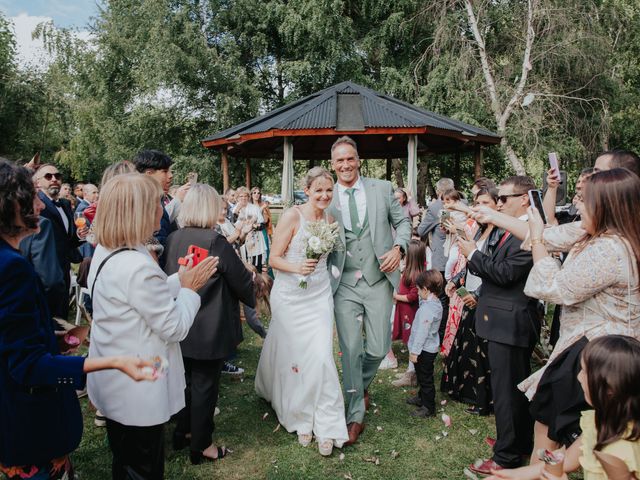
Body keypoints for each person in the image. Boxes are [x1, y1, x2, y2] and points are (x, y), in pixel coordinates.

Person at [0, 159, 155, 479]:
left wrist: (49, 338)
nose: (40, 203)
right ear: (11, 204)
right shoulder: (11, 268)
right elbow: (28, 366)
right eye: (32, 195)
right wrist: (108, 364)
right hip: (28, 426)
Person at [87, 173, 218, 479]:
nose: (163, 210)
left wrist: (177, 281)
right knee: (143, 467)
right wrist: (190, 289)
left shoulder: (108, 252)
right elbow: (173, 327)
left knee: (125, 460)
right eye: (157, 203)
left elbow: (140, 299)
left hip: (115, 379)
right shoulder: (136, 265)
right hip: (137, 388)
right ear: (140, 211)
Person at [518, 168, 640, 461]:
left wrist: (536, 239)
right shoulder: (603, 233)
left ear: (606, 206)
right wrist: (536, 232)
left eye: (584, 201)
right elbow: (553, 236)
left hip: (594, 354)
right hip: (602, 350)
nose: (577, 206)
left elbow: (554, 287)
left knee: (549, 435)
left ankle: (543, 471)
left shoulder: (609, 249)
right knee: (573, 438)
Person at [256, 167, 349, 456]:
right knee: (295, 356)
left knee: (321, 356)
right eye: (318, 190)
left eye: (328, 190)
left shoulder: (331, 219)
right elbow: (274, 259)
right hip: (291, 295)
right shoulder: (291, 216)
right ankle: (299, 415)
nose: (324, 195)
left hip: (319, 294)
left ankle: (328, 421)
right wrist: (298, 267)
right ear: (306, 190)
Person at [327, 136, 411, 446]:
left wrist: (399, 247)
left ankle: (356, 385)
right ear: (333, 164)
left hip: (378, 279)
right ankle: (354, 416)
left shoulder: (382, 188)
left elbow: (402, 222)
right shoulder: (327, 196)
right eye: (339, 160)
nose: (345, 165)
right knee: (350, 350)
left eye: (350, 158)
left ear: (358, 159)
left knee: (378, 347)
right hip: (344, 283)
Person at [164, 184, 255, 465]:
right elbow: (240, 280)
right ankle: (202, 445)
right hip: (209, 323)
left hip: (180, 318)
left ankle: (184, 432)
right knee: (205, 386)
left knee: (186, 381)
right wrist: (253, 293)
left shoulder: (173, 237)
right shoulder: (215, 241)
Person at [464, 176, 541, 476]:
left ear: (524, 199)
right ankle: (518, 441)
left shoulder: (529, 232)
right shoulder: (509, 231)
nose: (499, 204)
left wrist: (472, 254)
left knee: (507, 391)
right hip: (501, 319)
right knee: (514, 387)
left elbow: (506, 273)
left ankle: (507, 455)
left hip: (511, 321)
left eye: (505, 198)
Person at [487, 335, 640, 480]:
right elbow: (566, 459)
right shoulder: (600, 422)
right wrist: (514, 475)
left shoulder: (618, 452)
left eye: (585, 372)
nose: (579, 377)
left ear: (610, 388)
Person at [441, 187, 498, 416]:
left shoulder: (499, 234)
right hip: (468, 291)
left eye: (486, 202)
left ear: (497, 205)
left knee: (482, 353)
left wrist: (479, 294)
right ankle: (464, 392)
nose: (481, 206)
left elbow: (495, 271)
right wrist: (456, 279)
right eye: (477, 202)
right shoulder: (480, 231)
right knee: (465, 345)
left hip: (484, 296)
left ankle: (483, 399)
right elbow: (469, 261)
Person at [34, 164, 87, 318]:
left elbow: (67, 240)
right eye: (48, 176)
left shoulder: (64, 205)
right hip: (45, 272)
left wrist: (79, 236)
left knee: (61, 317)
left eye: (57, 176)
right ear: (38, 182)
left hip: (64, 269)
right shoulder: (36, 205)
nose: (54, 179)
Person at [417, 177, 455, 346]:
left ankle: (441, 335)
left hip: (442, 261)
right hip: (460, 259)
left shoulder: (435, 207)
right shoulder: (465, 203)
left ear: (439, 192)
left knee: (442, 299)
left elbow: (421, 230)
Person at [405, 270, 444, 418]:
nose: (418, 292)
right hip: (429, 348)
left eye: (419, 289)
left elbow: (422, 332)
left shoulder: (427, 309)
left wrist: (415, 352)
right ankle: (421, 398)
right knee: (423, 376)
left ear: (426, 290)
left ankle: (428, 407)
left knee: (425, 378)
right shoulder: (435, 303)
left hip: (423, 350)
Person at [390, 239, 426, 386]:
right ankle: (411, 372)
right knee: (410, 343)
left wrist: (395, 296)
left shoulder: (416, 275)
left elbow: (412, 297)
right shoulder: (410, 270)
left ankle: (411, 375)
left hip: (410, 314)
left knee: (412, 344)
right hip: (405, 312)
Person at [234, 186, 268, 271]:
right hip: (241, 242)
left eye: (246, 196)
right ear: (237, 197)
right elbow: (232, 224)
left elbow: (262, 225)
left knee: (257, 267)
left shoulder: (254, 208)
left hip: (256, 242)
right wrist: (236, 212)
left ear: (249, 197)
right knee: (243, 267)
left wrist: (253, 226)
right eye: (241, 196)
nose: (243, 198)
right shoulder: (234, 209)